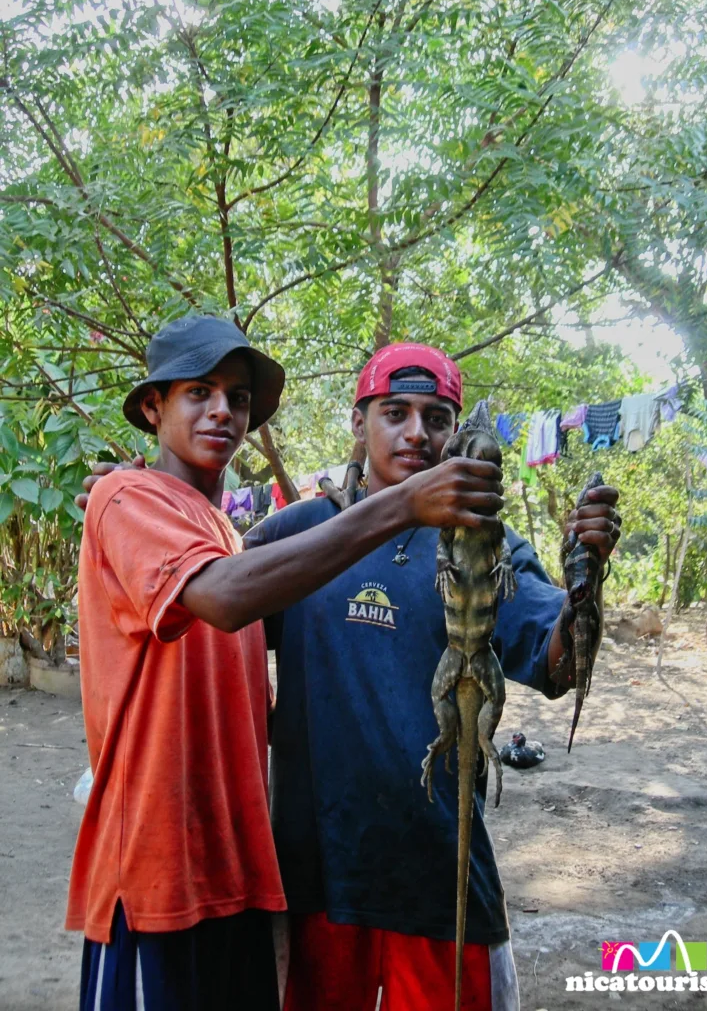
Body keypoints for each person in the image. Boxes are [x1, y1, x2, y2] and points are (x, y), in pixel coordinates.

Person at [68, 320, 506, 1011]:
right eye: (199, 392)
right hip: (158, 876)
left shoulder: (225, 532)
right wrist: (400, 505)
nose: (222, 411)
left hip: (238, 873)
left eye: (238, 398)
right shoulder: (129, 499)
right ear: (153, 406)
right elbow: (222, 597)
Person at [243, 344, 620, 1011]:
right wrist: (146, 500)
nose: (417, 433)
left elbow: (558, 663)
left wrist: (585, 577)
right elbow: (203, 606)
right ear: (358, 423)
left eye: (437, 418)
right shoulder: (296, 533)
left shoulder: (486, 542)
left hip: (441, 880)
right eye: (396, 413)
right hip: (319, 878)